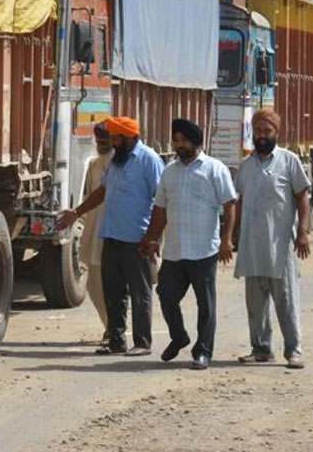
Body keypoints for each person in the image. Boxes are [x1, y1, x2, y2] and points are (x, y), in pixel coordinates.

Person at [57, 116, 164, 356]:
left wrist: (154, 237)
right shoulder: (118, 160)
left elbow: (162, 201)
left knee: (140, 292)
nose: (113, 142)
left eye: (117, 138)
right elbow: (102, 192)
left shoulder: (149, 160)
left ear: (130, 137)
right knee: (113, 292)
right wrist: (76, 212)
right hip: (111, 235)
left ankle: (142, 343)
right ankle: (116, 341)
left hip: (137, 239)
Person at [139, 119, 237, 370]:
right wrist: (152, 238)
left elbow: (229, 204)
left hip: (204, 249)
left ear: (195, 142)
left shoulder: (214, 168)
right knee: (166, 294)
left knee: (206, 304)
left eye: (183, 140)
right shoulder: (169, 171)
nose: (178, 145)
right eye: (176, 140)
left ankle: (203, 351)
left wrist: (227, 240)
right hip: (175, 250)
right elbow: (160, 209)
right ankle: (179, 336)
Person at [233, 109, 311, 370]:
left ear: (277, 133)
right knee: (255, 304)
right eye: (258, 131)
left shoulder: (289, 161)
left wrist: (303, 232)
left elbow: (302, 198)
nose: (262, 136)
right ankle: (261, 349)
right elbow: (238, 202)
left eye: (267, 131)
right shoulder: (245, 166)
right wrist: (232, 236)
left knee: (286, 301)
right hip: (252, 246)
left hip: (281, 247)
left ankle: (294, 351)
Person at [79, 122, 114, 344]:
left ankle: (115, 329)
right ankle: (110, 326)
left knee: (113, 285)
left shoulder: (121, 164)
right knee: (93, 285)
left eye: (105, 141)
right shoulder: (93, 165)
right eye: (98, 141)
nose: (101, 145)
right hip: (95, 231)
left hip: (116, 232)